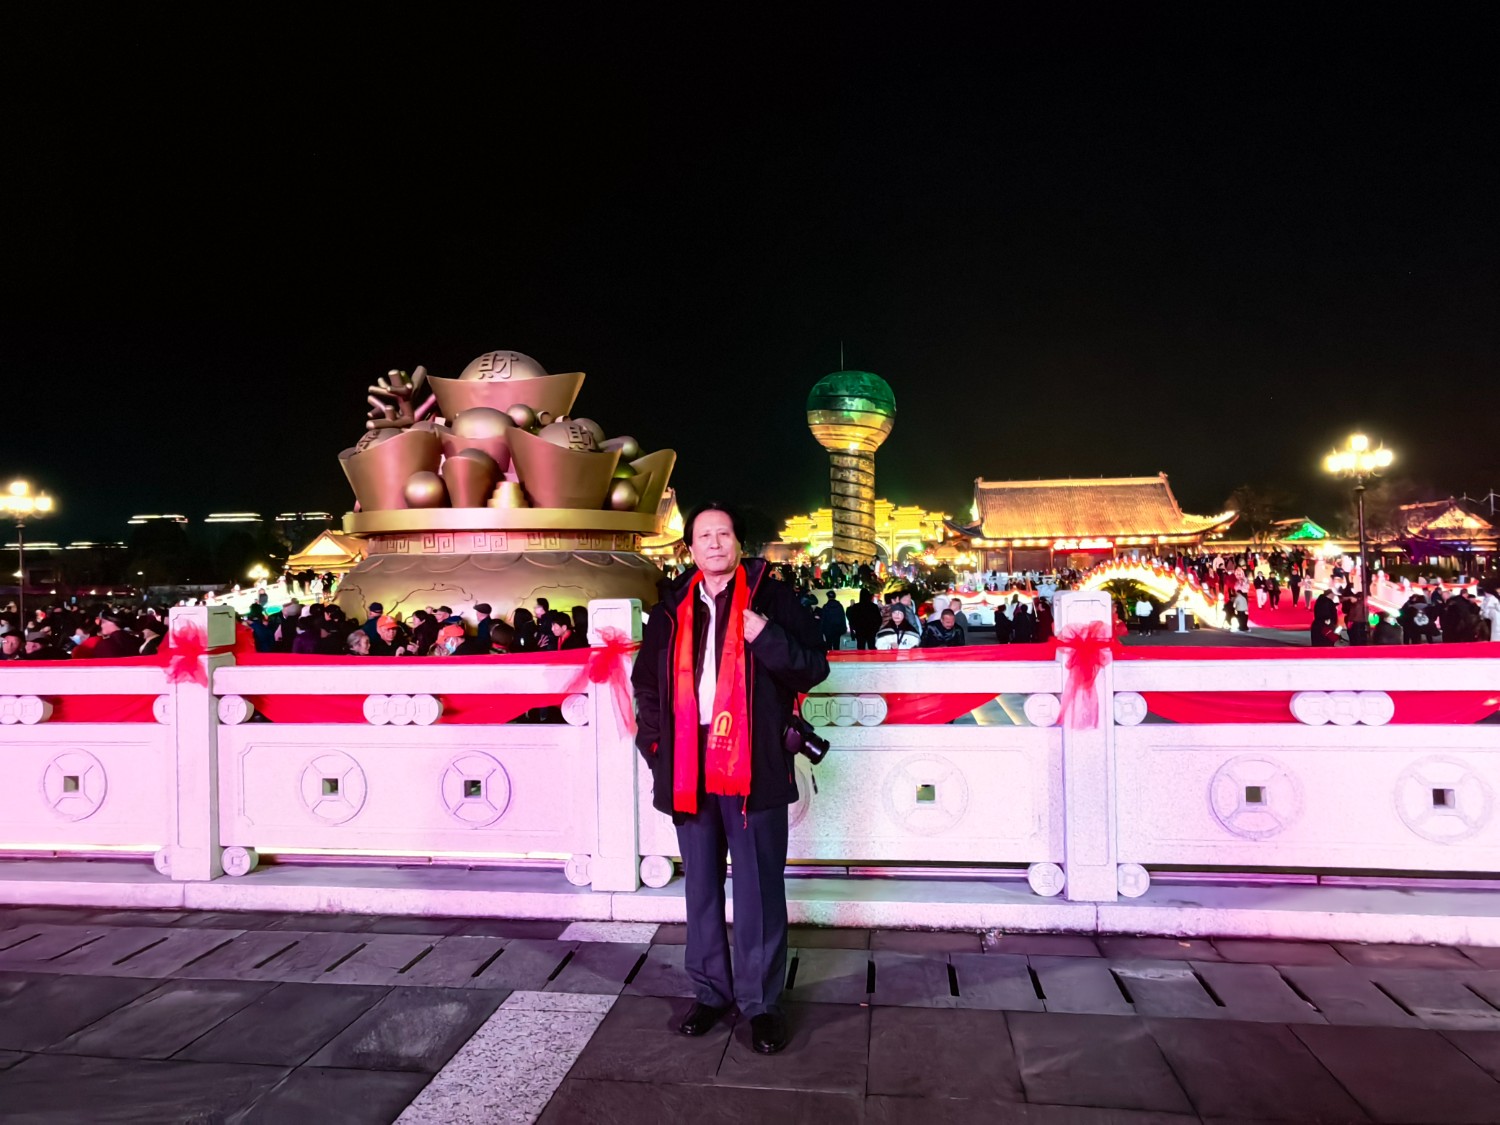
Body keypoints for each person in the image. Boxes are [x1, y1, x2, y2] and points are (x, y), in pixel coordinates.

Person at [631, 502, 828, 1056]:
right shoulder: (671, 609)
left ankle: (761, 1003)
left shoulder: (773, 599)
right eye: (704, 535)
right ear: (690, 547)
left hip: (752, 762)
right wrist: (656, 748)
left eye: (723, 534)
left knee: (759, 886)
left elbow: (814, 666)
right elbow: (645, 684)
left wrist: (765, 635)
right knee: (699, 885)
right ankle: (711, 992)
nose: (714, 543)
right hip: (688, 764)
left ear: (739, 543)